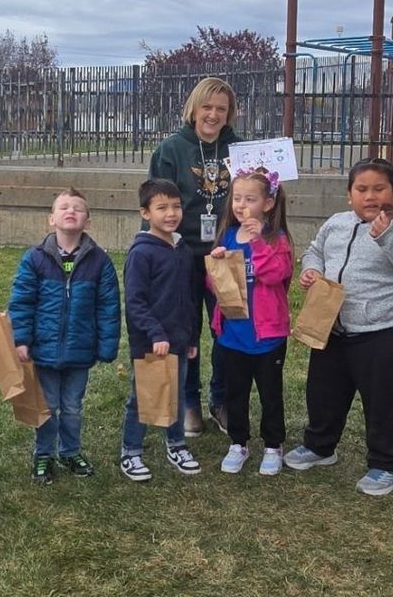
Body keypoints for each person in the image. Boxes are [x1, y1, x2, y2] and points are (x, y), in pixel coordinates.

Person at [284, 158, 393, 496]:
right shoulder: (336, 223)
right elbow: (315, 252)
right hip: (332, 326)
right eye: (361, 189)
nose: (370, 196)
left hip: (381, 332)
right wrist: (312, 270)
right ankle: (321, 445)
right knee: (323, 392)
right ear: (348, 195)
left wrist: (388, 237)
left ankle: (388, 465)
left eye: (379, 188)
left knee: (382, 401)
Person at [9, 188, 121, 484]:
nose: (70, 211)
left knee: (72, 406)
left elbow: (108, 306)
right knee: (47, 406)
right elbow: (21, 301)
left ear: (88, 220)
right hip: (44, 350)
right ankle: (43, 453)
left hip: (80, 351)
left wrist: (106, 345)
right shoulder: (35, 259)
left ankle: (70, 450)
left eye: (78, 208)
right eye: (64, 207)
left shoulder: (99, 261)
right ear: (51, 218)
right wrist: (21, 340)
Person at [149, 76, 240, 438]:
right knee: (186, 333)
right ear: (194, 108)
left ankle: (222, 400)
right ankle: (189, 402)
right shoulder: (171, 150)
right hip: (183, 254)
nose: (214, 115)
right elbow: (157, 205)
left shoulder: (241, 150)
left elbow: (262, 196)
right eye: (208, 107)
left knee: (228, 329)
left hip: (226, 252)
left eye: (222, 108)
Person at [207, 167, 293, 476]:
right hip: (233, 335)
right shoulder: (228, 236)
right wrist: (216, 265)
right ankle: (238, 442)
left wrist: (257, 243)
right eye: (237, 198)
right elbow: (215, 286)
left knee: (270, 394)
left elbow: (275, 275)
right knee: (235, 393)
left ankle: (273, 445)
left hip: (267, 337)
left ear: (267, 204)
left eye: (250, 199)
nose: (241, 205)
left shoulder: (276, 239)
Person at [119, 178, 201, 482]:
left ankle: (176, 445)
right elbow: (135, 301)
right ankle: (131, 451)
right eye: (162, 207)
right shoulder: (141, 252)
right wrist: (156, 334)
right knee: (143, 396)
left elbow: (190, 298)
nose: (171, 213)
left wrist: (191, 336)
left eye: (176, 206)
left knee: (175, 394)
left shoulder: (183, 249)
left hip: (178, 340)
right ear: (145, 213)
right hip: (150, 342)